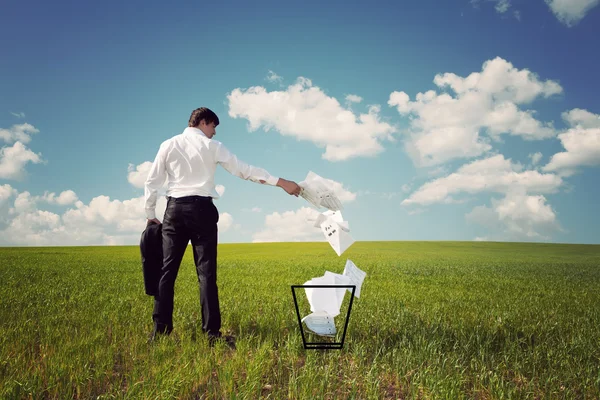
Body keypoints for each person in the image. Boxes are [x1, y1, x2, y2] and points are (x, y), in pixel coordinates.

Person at [144, 107, 301, 347]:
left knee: (167, 272)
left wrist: (150, 214)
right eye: (213, 127)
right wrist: (281, 182)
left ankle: (160, 332)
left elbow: (152, 181)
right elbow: (245, 171)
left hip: (174, 210)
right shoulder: (213, 147)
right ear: (203, 122)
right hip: (202, 210)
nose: (214, 133)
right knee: (206, 274)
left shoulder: (169, 144)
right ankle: (211, 335)